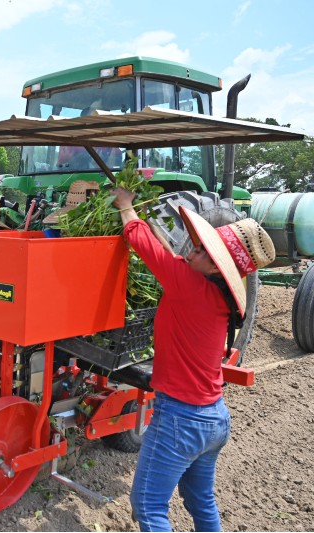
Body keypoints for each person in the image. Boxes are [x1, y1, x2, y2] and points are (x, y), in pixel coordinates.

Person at [112, 187, 275, 532]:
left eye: (200, 250)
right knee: (200, 501)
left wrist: (126, 206)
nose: (191, 252)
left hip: (180, 421)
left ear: (217, 268)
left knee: (149, 506)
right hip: (214, 418)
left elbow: (142, 242)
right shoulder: (217, 297)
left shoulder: (188, 286)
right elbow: (172, 254)